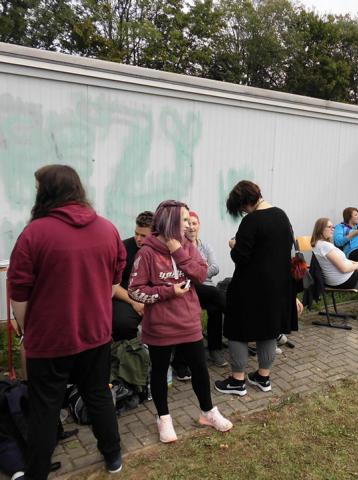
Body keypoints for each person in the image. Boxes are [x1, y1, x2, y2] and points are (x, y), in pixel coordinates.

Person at [8, 164, 126, 477]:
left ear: (47, 192)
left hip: (50, 340)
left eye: (38, 188)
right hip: (95, 333)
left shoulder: (34, 234)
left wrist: (27, 330)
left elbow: (18, 293)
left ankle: (37, 472)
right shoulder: (107, 229)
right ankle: (113, 457)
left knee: (45, 406)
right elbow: (114, 279)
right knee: (98, 393)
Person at [128, 200, 232, 443]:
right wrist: (167, 292)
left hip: (188, 321)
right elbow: (135, 291)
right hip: (160, 326)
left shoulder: (187, 246)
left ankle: (208, 412)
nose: (188, 224)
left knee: (199, 368)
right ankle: (163, 418)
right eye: (184, 219)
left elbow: (201, 274)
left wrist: (178, 251)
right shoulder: (147, 252)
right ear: (170, 221)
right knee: (160, 371)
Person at [214, 181, 298, 396]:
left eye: (241, 208)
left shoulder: (251, 221)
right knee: (268, 330)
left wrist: (233, 246)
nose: (242, 212)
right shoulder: (281, 215)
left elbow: (241, 256)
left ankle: (237, 380)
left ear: (244, 203)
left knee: (237, 330)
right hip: (277, 285)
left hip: (249, 286)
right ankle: (263, 377)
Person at [186, 210, 228, 367]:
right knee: (216, 293)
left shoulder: (206, 246)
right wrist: (201, 270)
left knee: (215, 308)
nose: (191, 227)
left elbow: (216, 267)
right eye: (188, 224)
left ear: (199, 225)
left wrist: (198, 271)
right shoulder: (181, 247)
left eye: (194, 223)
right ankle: (237, 316)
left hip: (207, 290)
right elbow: (186, 273)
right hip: (191, 289)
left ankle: (214, 350)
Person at [112, 211, 153, 341]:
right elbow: (112, 285)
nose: (138, 239)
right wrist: (134, 302)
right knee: (122, 324)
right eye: (136, 234)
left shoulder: (163, 250)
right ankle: (129, 351)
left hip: (154, 297)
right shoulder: (123, 248)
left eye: (143, 235)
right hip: (127, 298)